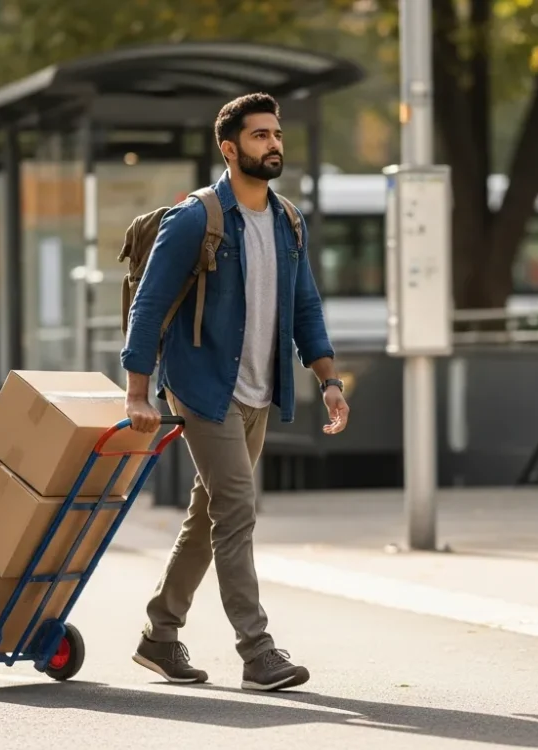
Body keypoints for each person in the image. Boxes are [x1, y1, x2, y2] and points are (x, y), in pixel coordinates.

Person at [120, 92, 350, 692]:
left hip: (255, 392)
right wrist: (137, 394)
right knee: (238, 509)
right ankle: (257, 649)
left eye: (276, 134)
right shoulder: (197, 218)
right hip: (201, 388)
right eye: (259, 136)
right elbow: (147, 308)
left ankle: (159, 635)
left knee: (210, 512)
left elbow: (305, 306)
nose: (274, 144)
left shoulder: (287, 221)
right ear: (229, 148)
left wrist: (328, 379)